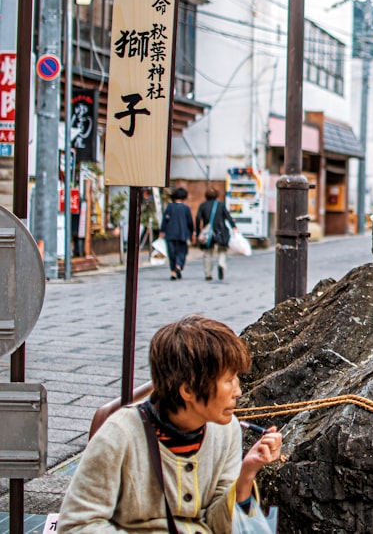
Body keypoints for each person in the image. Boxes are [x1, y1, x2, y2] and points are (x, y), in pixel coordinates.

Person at [57, 315, 282, 533]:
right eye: (228, 380)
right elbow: (76, 525)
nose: (238, 391)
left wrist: (247, 474)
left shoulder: (227, 430)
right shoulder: (119, 434)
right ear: (188, 390)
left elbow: (218, 524)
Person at [195, 188, 237, 281]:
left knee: (207, 253)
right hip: (220, 231)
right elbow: (228, 216)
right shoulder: (221, 205)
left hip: (207, 233)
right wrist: (234, 227)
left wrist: (198, 231)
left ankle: (208, 273)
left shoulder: (203, 205)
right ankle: (221, 264)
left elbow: (198, 219)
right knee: (222, 250)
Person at [160, 187, 194, 280]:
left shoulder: (170, 207)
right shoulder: (186, 208)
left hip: (170, 233)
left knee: (172, 253)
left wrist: (162, 231)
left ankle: (173, 273)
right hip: (182, 234)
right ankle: (178, 266)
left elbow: (165, 220)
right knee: (182, 252)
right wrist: (191, 234)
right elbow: (190, 222)